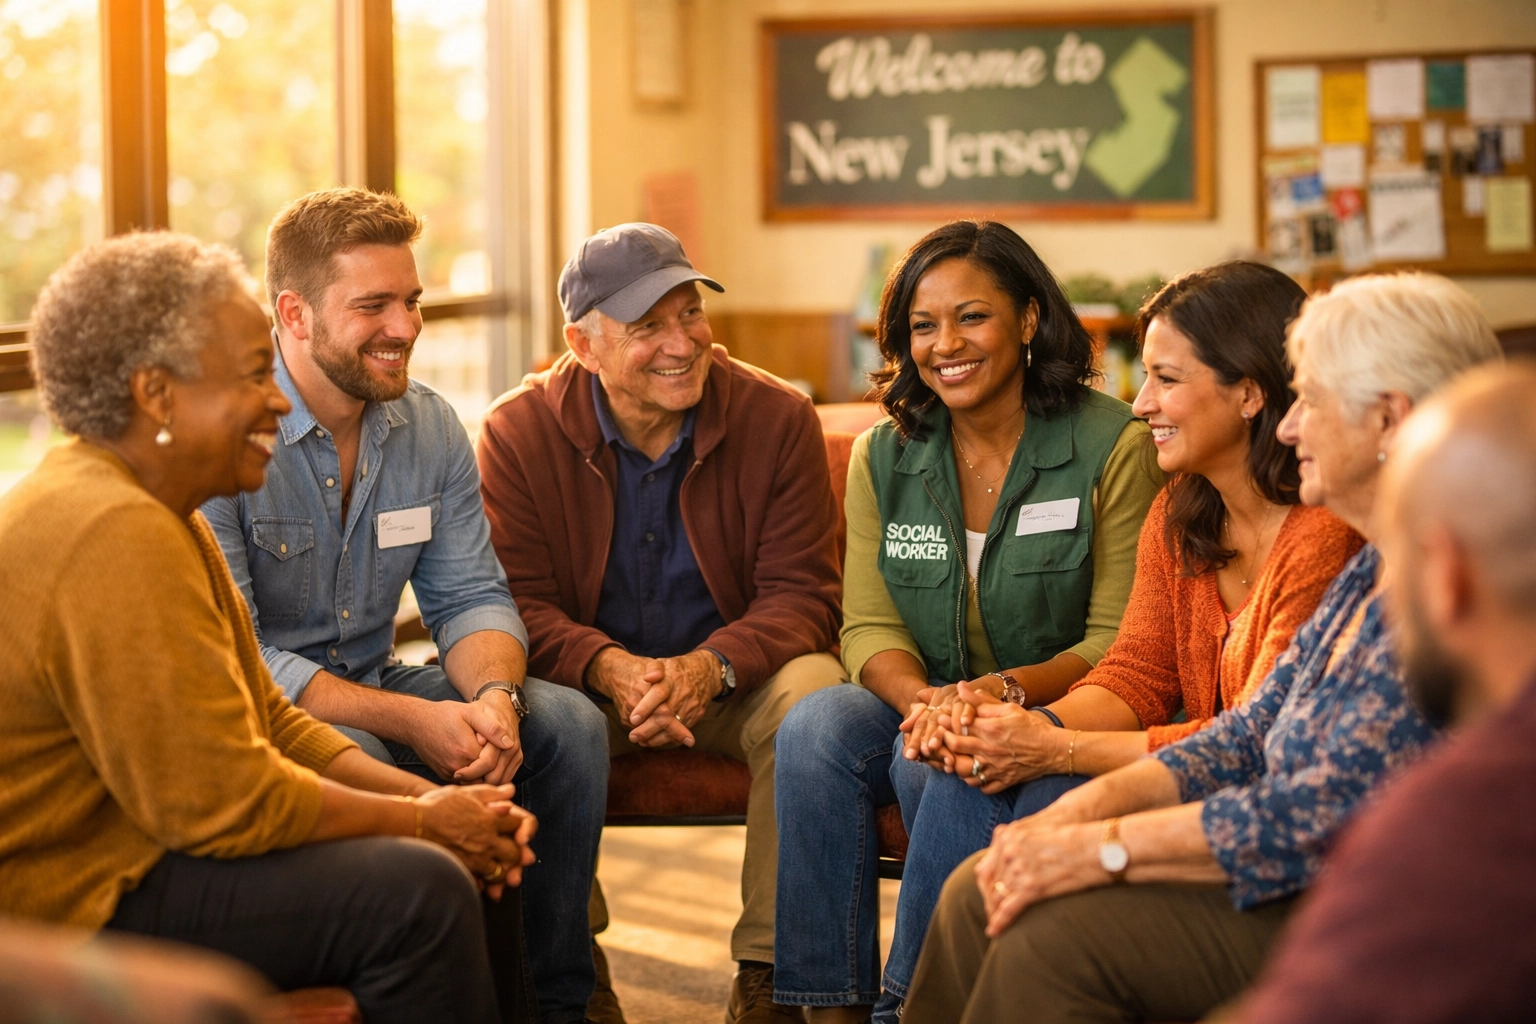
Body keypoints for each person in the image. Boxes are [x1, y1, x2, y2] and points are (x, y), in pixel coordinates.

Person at [900, 271, 1504, 1024]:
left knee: (1038, 930)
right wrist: (1044, 774)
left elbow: (1307, 812)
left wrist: (1097, 837)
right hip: (1271, 852)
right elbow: (1241, 730)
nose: (1290, 424)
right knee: (980, 879)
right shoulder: (1372, 568)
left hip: (1336, 896)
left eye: (1310, 400)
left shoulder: (1408, 576)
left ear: (1390, 419)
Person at [0, 232, 537, 1024]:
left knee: (471, 844)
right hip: (74, 897)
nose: (279, 400)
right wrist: (423, 818)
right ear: (156, 394)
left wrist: (436, 803)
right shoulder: (112, 528)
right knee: (420, 890)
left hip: (145, 845)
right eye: (253, 375)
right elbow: (225, 803)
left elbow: (269, 717)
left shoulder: (163, 512)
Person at [200, 188, 607, 1024]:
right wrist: (416, 722)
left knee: (567, 726)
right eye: (373, 305)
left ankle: (558, 998)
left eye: (413, 300)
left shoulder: (430, 426)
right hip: (270, 711)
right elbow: (239, 660)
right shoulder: (229, 433)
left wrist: (494, 699)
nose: (406, 326)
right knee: (356, 753)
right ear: (294, 314)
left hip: (377, 675)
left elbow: (471, 596)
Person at [772, 219, 1165, 1024]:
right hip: (925, 700)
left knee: (948, 764)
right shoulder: (883, 454)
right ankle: (825, 1007)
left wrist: (992, 696)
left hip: (1057, 707)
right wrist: (930, 703)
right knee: (815, 726)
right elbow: (867, 627)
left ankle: (910, 1008)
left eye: (972, 317)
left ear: (1027, 320)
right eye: (923, 325)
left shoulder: (1114, 445)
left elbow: (1117, 640)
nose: (945, 344)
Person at [476, 223, 846, 1024]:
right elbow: (516, 604)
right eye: (648, 326)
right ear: (584, 345)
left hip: (735, 682)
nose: (683, 343)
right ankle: (570, 971)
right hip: (589, 689)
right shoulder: (517, 431)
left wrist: (709, 669)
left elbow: (805, 595)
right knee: (532, 714)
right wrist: (609, 668)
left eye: (690, 314)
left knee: (819, 696)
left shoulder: (779, 416)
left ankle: (774, 974)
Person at [1232, 370, 1536, 1022]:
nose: (1288, 427)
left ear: (1445, 576)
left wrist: (1107, 846)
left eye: (1311, 399)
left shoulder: (1458, 817)